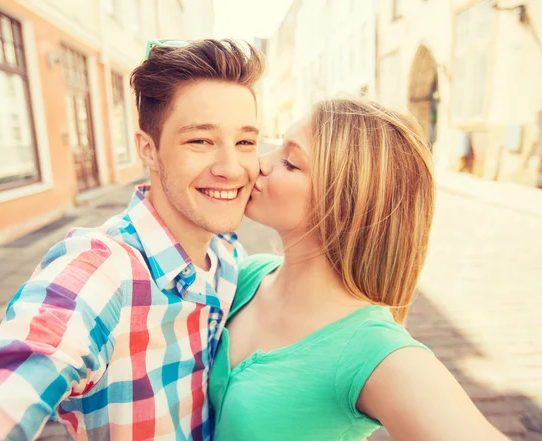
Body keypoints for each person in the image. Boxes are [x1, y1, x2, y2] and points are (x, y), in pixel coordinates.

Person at [0, 38, 264, 441]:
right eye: (200, 140)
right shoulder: (103, 269)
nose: (232, 168)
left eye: (246, 142)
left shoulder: (231, 256)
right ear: (149, 149)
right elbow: (8, 376)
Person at [209, 98, 509, 441]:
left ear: (346, 203)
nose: (259, 164)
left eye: (290, 162)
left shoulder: (373, 350)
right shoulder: (247, 274)